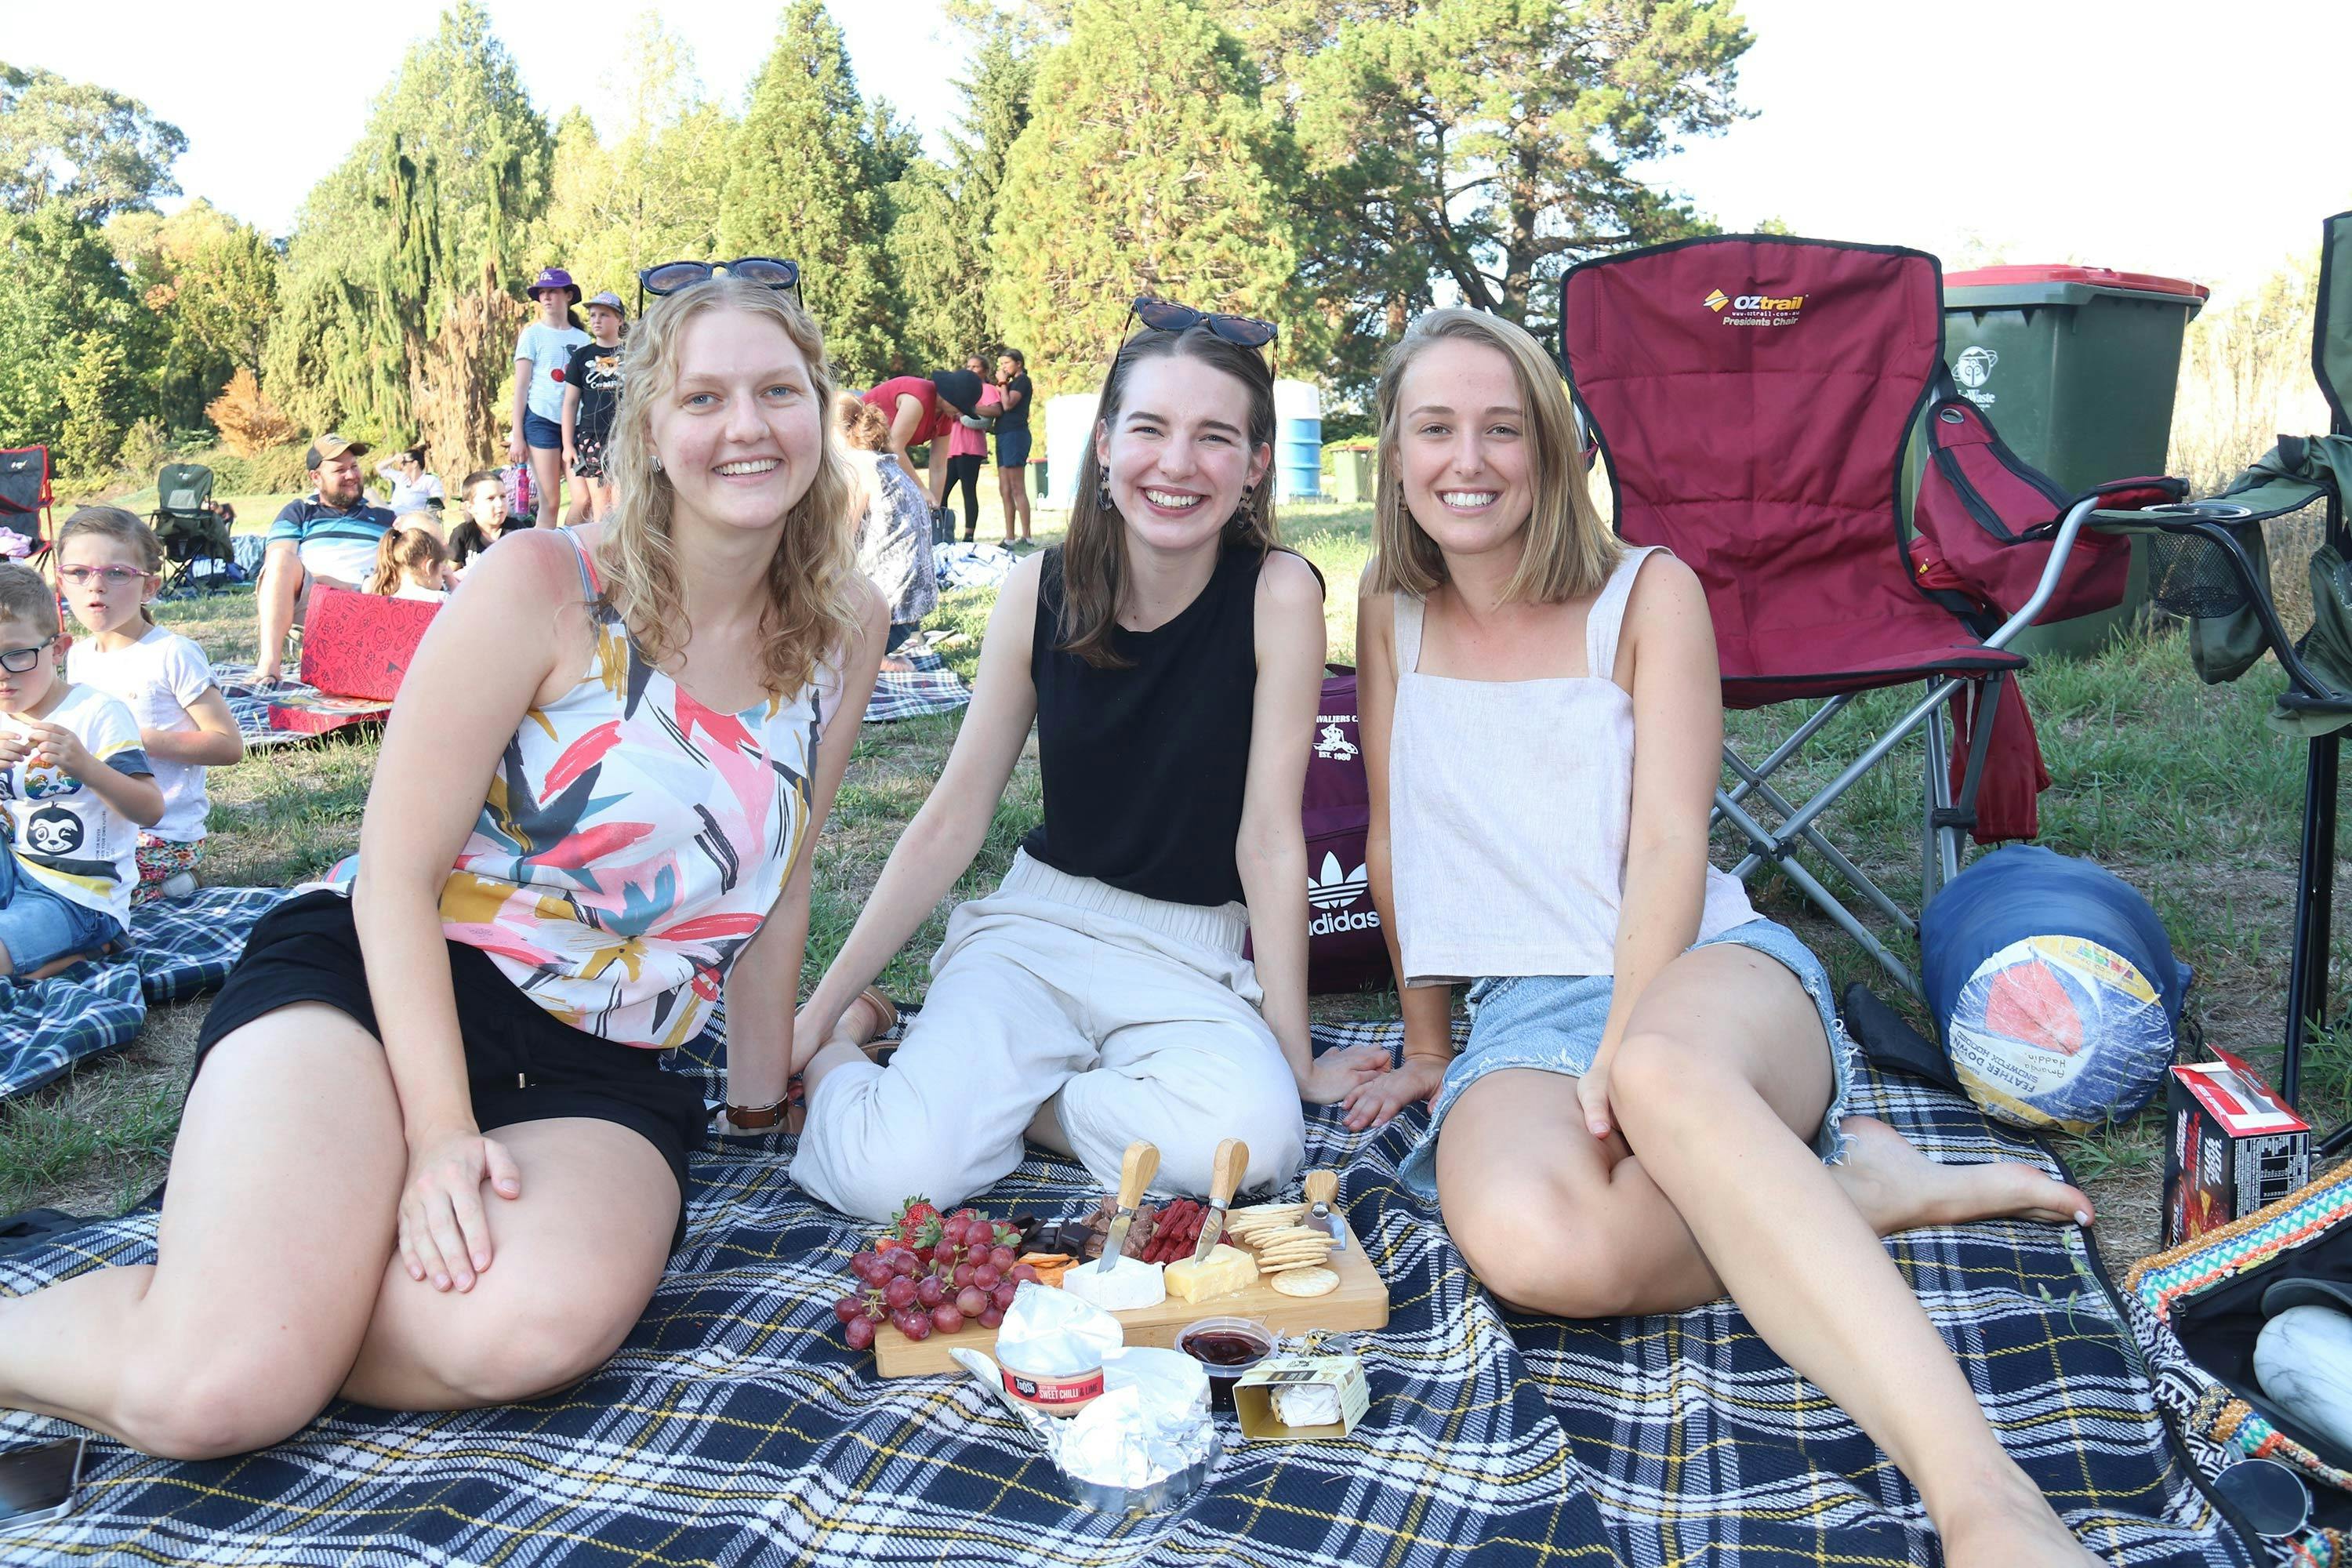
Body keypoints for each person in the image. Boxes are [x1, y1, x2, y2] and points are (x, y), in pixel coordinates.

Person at [0, 275, 884, 1461]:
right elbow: (395, 874)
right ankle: (236, 1326)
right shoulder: (546, 584)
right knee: (215, 1393)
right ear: (648, 429)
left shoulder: (844, 625)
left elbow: (783, 879)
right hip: (388, 982)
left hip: (606, 1058)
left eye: (777, 391)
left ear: (819, 410)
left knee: (527, 1326)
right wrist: (438, 1137)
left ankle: (272, 1295)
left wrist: (762, 1103)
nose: (746, 426)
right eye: (703, 396)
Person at [1339, 308, 2104, 1568]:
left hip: (1703, 964)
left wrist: (1623, 1040)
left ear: (1553, 447)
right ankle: (1839, 1194)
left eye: (1503, 428)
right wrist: (1430, 1044)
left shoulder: (1647, 592)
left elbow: (1668, 848)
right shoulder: (1390, 606)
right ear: (1395, 453)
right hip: (1522, 1008)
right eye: (1435, 428)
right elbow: (1392, 832)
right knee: (1538, 1245)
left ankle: (1987, 1500)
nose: (1467, 460)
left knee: (1659, 1073)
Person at [790, 304, 1384, 1223]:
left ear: (1257, 464)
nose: (1177, 463)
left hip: (1189, 954)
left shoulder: (1277, 592)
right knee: (890, 1176)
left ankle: (1022, 1108)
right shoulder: (1040, 586)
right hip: (1034, 931)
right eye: (1149, 428)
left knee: (1253, 1148)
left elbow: (1270, 837)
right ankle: (855, 1041)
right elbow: (953, 817)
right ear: (1104, 445)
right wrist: (812, 1020)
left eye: (1215, 436)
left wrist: (1295, 1055)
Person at [57, 508, 244, 905]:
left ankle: (176, 882)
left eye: (116, 573)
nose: (96, 586)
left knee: (84, 895)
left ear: (149, 587)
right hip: (100, 820)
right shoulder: (78, 657)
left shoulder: (172, 653)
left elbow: (228, 745)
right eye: (79, 572)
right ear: (61, 582)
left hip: (162, 833)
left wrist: (136, 740)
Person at [0, 562, 162, 975]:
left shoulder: (96, 712)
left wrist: (86, 767)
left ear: (58, 649)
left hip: (77, 894)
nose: (2, 673)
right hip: (11, 871)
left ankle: (88, 948)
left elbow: (150, 810)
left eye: (16, 655)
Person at [255, 434, 396, 682]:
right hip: (315, 601)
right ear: (316, 478)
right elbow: (277, 564)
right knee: (280, 558)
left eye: (354, 466)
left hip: (372, 601)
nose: (351, 475)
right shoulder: (299, 512)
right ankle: (269, 666)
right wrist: (341, 586)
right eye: (340, 470)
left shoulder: (384, 517)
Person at [836, 394, 940, 673]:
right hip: (909, 611)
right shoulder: (884, 462)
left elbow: (840, 537)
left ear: (835, 434)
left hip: (885, 616)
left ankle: (874, 657)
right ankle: (881, 655)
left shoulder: (856, 467)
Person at [508, 267, 590, 527]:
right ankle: (544, 551)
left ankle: (568, 545)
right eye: (542, 292)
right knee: (551, 502)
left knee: (584, 500)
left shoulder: (583, 339)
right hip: (541, 421)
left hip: (576, 424)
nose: (546, 297)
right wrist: (517, 436)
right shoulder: (532, 335)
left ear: (568, 295)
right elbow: (521, 386)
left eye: (553, 291)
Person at [859, 368, 989, 510]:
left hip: (880, 452)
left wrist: (935, 506)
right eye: (960, 406)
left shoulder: (946, 416)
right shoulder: (917, 398)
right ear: (947, 395)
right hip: (856, 443)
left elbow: (938, 465)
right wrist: (921, 489)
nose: (961, 412)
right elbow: (894, 447)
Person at [561, 292, 627, 525]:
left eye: (604, 315)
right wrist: (568, 445)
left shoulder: (634, 353)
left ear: (619, 320)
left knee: (621, 501)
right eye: (592, 315)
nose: (597, 320)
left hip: (625, 436)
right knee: (600, 503)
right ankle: (598, 546)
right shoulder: (582, 357)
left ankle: (620, 546)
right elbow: (570, 403)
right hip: (592, 437)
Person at [943, 354, 998, 543]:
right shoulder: (961, 390)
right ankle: (943, 532)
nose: (971, 370)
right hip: (952, 446)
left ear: (985, 371)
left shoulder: (987, 389)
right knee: (942, 492)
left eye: (975, 367)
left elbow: (996, 410)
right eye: (969, 366)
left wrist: (969, 409)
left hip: (971, 447)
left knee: (968, 491)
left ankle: (968, 536)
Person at [994, 347, 1034, 546]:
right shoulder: (1009, 384)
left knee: (1018, 487)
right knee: (1005, 489)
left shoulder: (1022, 381)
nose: (1003, 368)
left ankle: (1027, 536)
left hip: (1016, 435)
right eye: (1001, 364)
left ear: (1019, 363)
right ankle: (1009, 537)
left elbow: (1008, 404)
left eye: (1007, 363)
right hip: (1002, 435)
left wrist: (1002, 383)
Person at [448, 470, 510, 582]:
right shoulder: (463, 534)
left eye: (503, 496)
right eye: (490, 498)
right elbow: (451, 574)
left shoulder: (516, 531)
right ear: (471, 507)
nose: (500, 504)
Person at [368, 527, 452, 602]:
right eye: (442, 572)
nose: (442, 579)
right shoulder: (441, 599)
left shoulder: (388, 601)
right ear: (428, 567)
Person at [376, 444, 445, 527]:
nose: (401, 466)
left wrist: (425, 518)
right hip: (392, 516)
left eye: (404, 463)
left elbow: (438, 499)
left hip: (412, 521)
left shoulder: (429, 480)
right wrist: (394, 459)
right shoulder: (401, 477)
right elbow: (379, 468)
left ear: (415, 464)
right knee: (369, 493)